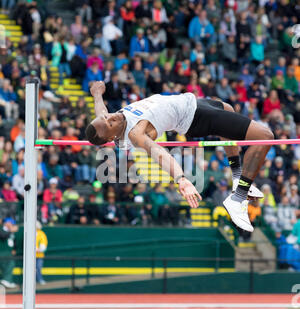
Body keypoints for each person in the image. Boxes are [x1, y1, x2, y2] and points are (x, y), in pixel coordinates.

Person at [85, 82, 274, 232]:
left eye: (107, 117)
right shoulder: (135, 133)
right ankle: (238, 198)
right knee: (265, 137)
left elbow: (100, 112)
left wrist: (97, 93)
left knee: (228, 108)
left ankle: (236, 177)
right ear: (111, 137)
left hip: (190, 103)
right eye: (109, 123)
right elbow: (160, 154)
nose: (111, 117)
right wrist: (180, 179)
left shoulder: (109, 121)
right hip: (195, 118)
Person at [0, 218, 18, 289]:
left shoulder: (11, 232)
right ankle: (6, 280)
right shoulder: (1, 229)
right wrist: (11, 230)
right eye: (9, 222)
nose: (11, 224)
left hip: (9, 253)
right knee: (7, 265)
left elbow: (14, 240)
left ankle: (8, 280)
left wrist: (14, 249)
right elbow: (3, 236)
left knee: (10, 265)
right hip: (2, 252)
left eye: (12, 223)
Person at [36, 221, 48, 285]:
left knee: (38, 267)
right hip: (31, 256)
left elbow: (44, 243)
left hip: (39, 255)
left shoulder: (41, 234)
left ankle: (40, 279)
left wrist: (40, 249)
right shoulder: (30, 233)